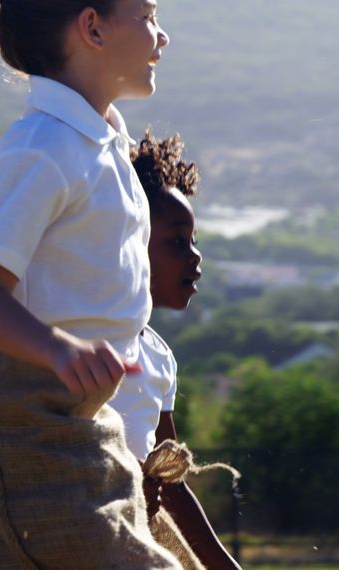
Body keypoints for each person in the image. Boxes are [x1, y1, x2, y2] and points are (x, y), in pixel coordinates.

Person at [0, 0, 181, 567]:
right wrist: (59, 350)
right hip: (19, 418)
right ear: (92, 27)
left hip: (82, 419)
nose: (163, 35)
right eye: (148, 13)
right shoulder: (42, 146)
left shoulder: (102, 141)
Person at [107, 132, 240, 569]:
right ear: (129, 242)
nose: (195, 257)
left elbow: (172, 483)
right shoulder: (85, 344)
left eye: (194, 240)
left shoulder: (159, 359)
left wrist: (225, 565)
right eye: (177, 241)